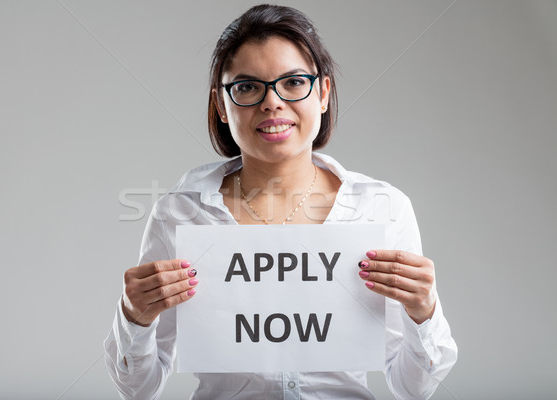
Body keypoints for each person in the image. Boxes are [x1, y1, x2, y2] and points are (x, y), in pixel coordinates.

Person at [104, 4, 457, 399]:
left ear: (322, 94)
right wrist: (135, 318)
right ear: (222, 105)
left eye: (292, 83)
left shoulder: (383, 209)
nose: (272, 102)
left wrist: (423, 313)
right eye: (247, 87)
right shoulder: (179, 214)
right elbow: (139, 388)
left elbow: (414, 389)